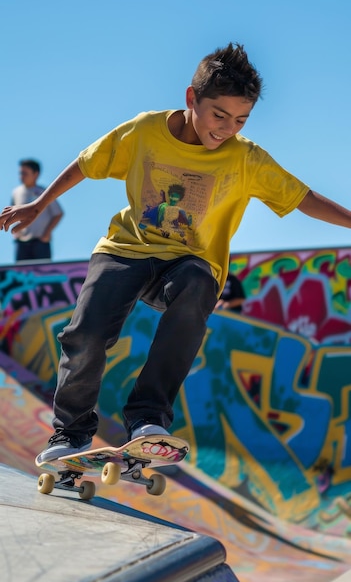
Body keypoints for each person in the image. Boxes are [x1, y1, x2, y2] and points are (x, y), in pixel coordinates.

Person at [1, 42, 351, 462]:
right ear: (191, 99)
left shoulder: (246, 158)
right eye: (218, 115)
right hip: (125, 250)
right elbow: (87, 162)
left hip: (187, 262)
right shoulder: (145, 130)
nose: (226, 129)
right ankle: (70, 433)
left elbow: (303, 197)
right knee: (87, 334)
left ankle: (148, 417)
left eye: (240, 120)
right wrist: (39, 204)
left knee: (200, 284)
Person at [11, 159, 63, 262]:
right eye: (21, 173)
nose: (22, 176)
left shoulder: (44, 192)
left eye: (25, 173)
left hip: (40, 242)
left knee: (42, 274)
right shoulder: (16, 192)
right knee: (20, 274)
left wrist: (47, 233)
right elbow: (12, 213)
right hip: (22, 242)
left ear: (35, 174)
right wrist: (15, 232)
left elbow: (58, 213)